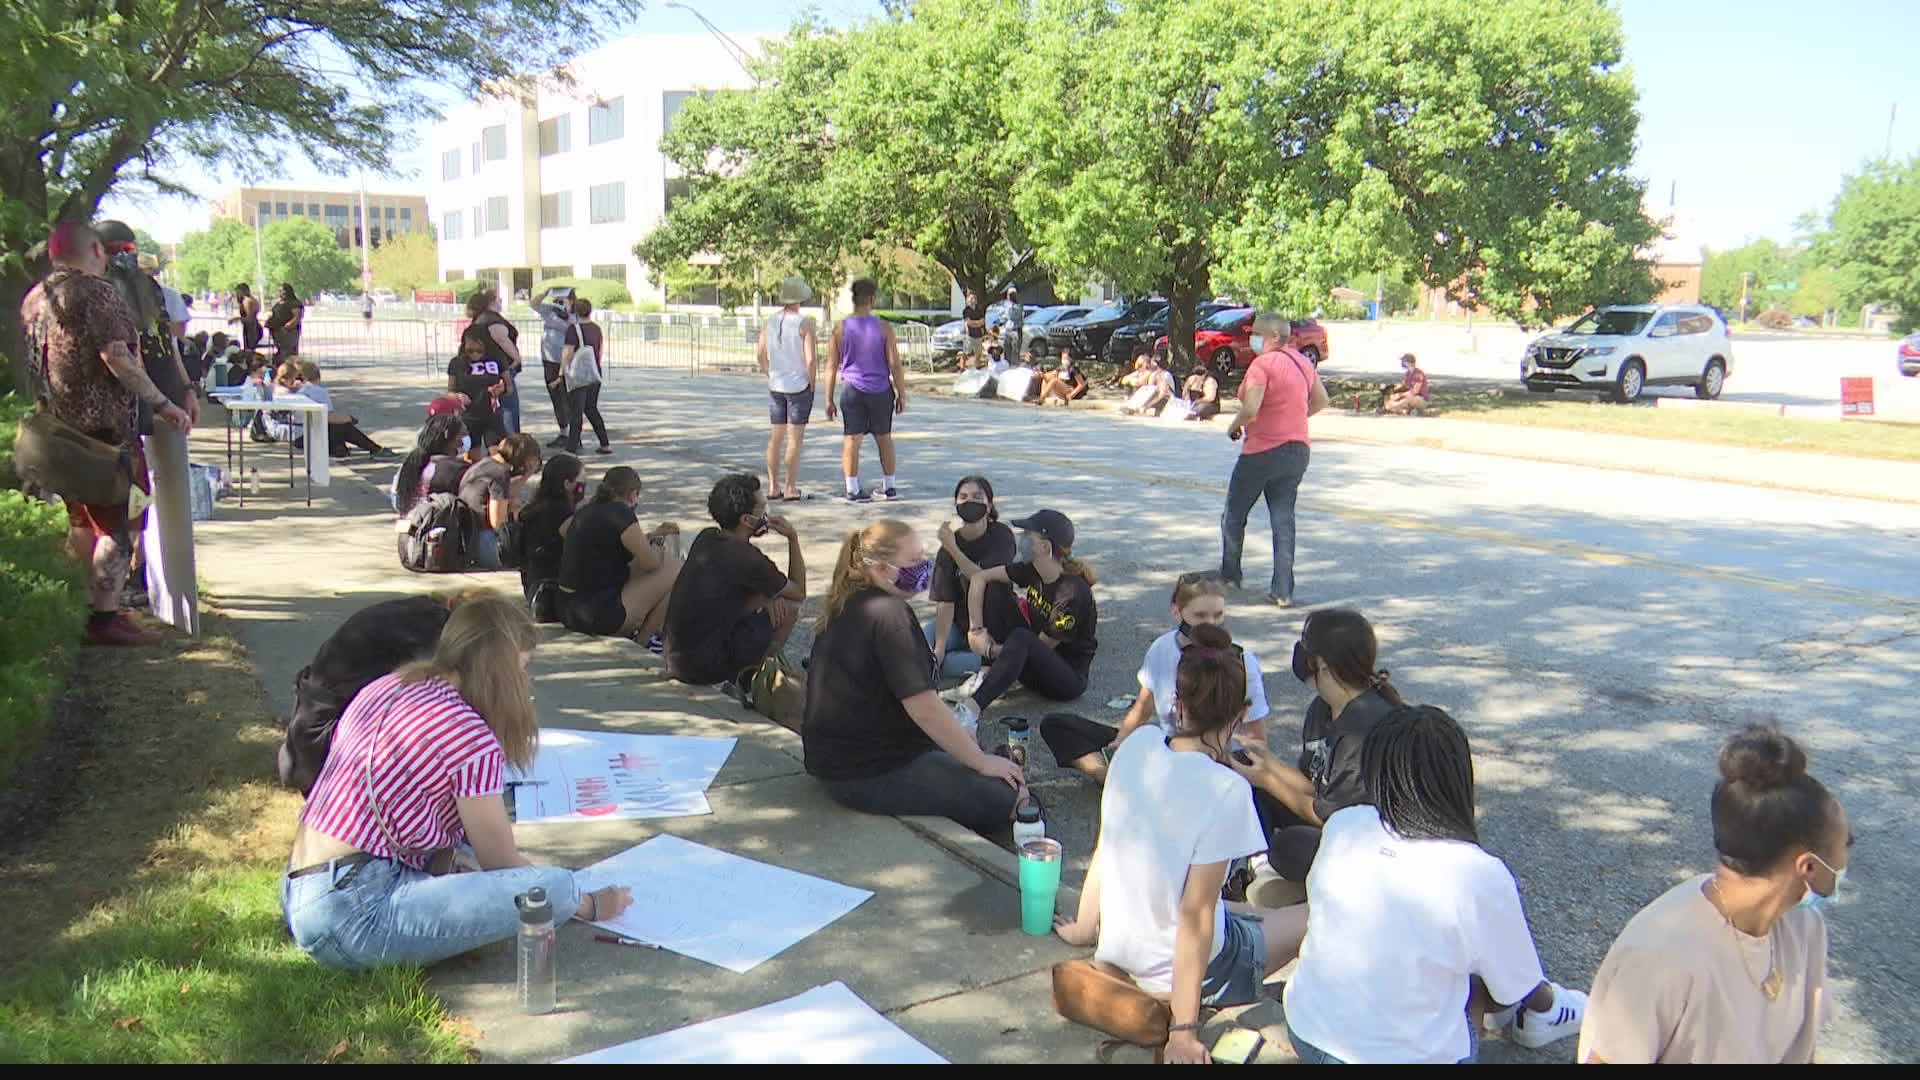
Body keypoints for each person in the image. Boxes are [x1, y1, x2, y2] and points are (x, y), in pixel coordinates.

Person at [282, 594, 634, 971]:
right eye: (524, 668)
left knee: (472, 858)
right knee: (555, 887)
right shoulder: (470, 736)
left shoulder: (391, 686)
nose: (527, 684)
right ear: (500, 670)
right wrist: (588, 903)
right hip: (354, 913)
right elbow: (502, 864)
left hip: (303, 889)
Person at [1051, 624, 1309, 1065]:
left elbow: (1107, 845)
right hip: (1187, 973)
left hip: (1120, 950)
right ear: (1241, 712)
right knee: (1316, 912)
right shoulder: (1227, 789)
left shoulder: (1138, 745)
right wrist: (1183, 1031)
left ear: (1177, 700)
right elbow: (1197, 915)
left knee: (1259, 914)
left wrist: (1085, 927)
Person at [1279, 705, 1587, 1063]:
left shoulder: (1345, 823)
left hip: (1307, 1029)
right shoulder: (1477, 873)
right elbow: (1511, 987)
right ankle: (1551, 1012)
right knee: (1481, 964)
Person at [1578, 725, 1848, 1064]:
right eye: (1845, 845)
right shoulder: (1660, 957)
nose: (1846, 859)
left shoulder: (1805, 929)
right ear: (1807, 867)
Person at [20, 222, 190, 646]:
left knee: (81, 522)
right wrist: (164, 404)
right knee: (121, 528)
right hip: (106, 438)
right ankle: (105, 616)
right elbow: (119, 359)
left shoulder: (35, 298)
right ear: (95, 248)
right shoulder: (97, 293)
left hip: (59, 433)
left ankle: (74, 605)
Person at [801, 519, 1025, 835]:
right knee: (1001, 797)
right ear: (880, 568)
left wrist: (967, 747)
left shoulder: (852, 601)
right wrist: (979, 761)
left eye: (923, 557)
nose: (924, 567)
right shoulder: (889, 615)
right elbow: (924, 709)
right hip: (866, 771)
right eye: (913, 561)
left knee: (979, 756)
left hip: (845, 760)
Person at [1227, 609, 1400, 889]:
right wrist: (1266, 762)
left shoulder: (1365, 728)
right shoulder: (1322, 708)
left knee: (1289, 846)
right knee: (1246, 776)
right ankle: (1253, 869)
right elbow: (1314, 786)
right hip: (1332, 819)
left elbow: (1329, 816)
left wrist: (1267, 778)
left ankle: (1279, 879)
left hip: (1361, 840)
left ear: (1324, 664)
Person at [1044, 572, 1269, 786]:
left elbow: (1256, 740)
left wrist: (1230, 767)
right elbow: (1143, 707)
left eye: (1218, 615)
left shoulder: (1241, 661)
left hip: (1217, 762)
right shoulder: (1162, 648)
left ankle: (1125, 782)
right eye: (1200, 616)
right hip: (1169, 748)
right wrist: (1120, 743)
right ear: (1176, 612)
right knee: (1057, 725)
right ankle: (1112, 776)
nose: (1210, 623)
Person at [277, 592, 472, 795]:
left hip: (311, 724)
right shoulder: (432, 629)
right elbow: (441, 700)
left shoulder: (417, 611)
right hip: (324, 745)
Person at [948, 509, 1097, 731]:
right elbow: (980, 577)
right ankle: (989, 674)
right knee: (995, 589)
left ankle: (969, 712)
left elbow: (1041, 645)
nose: (1022, 540)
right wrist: (975, 631)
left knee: (1022, 638)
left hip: (1065, 679)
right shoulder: (1033, 570)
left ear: (1045, 547)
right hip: (1030, 661)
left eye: (1028, 535)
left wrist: (989, 650)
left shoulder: (1072, 592)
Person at [1221, 312, 1328, 607]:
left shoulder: (1262, 364)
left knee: (1234, 514)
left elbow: (1252, 407)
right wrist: (1293, 418)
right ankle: (1283, 590)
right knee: (1283, 521)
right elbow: (1321, 400)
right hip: (1297, 451)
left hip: (1262, 451)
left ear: (1275, 337)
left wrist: (1234, 425)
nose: (1252, 338)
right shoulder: (1303, 363)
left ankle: (1230, 575)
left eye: (1257, 334)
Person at [662, 474, 806, 693]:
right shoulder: (748, 558)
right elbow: (798, 592)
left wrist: (767, 596)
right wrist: (792, 538)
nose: (766, 516)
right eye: (762, 510)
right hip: (703, 669)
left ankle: (747, 674)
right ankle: (755, 681)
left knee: (768, 597)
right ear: (747, 520)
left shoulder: (707, 537)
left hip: (676, 658)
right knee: (790, 607)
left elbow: (732, 594)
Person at [557, 466, 684, 641]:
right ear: (632, 494)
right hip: (598, 615)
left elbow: (564, 530)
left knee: (649, 567)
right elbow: (650, 564)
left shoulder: (587, 510)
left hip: (567, 609)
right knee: (677, 568)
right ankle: (643, 640)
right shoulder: (622, 513)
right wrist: (657, 544)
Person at [824, 279, 907, 502]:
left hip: (853, 390)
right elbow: (895, 364)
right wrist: (902, 393)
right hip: (881, 390)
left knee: (852, 439)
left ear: (854, 299)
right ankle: (889, 487)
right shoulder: (884, 328)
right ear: (872, 299)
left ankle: (853, 488)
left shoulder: (840, 329)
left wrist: (828, 398)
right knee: (884, 438)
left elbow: (831, 366)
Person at [928, 475, 1017, 681]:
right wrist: (939, 649)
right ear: (956, 504)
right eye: (963, 497)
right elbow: (945, 600)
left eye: (977, 497)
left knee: (996, 661)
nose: (970, 501)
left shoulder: (1002, 536)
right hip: (958, 625)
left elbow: (982, 578)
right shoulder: (948, 545)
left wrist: (953, 549)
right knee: (920, 649)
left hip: (994, 628)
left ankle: (994, 663)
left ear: (989, 505)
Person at [759, 276, 818, 501]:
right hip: (798, 385)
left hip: (777, 384)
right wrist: (812, 383)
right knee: (795, 439)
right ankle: (790, 487)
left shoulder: (770, 322)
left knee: (775, 438)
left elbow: (760, 354)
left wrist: (770, 372)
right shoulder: (805, 323)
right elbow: (811, 360)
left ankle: (773, 486)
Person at [458, 433, 542, 569]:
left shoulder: (484, 465)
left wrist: (527, 475)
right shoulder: (499, 474)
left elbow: (506, 493)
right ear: (524, 459)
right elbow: (498, 522)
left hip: (468, 538)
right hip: (485, 543)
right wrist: (516, 513)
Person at [515, 453, 584, 616]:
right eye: (581, 482)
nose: (583, 487)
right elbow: (582, 546)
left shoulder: (535, 507)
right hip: (553, 593)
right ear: (568, 484)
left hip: (534, 588)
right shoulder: (561, 512)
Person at [295, 360, 393, 459]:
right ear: (318, 377)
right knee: (342, 425)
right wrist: (349, 418)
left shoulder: (299, 391)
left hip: (299, 436)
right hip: (310, 436)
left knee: (334, 426)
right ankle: (374, 449)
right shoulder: (319, 392)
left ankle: (339, 448)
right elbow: (329, 417)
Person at [462, 286, 523, 434]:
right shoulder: (492, 319)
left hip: (486, 367)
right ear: (493, 301)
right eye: (499, 299)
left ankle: (502, 439)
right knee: (509, 407)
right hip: (499, 368)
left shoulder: (481, 318)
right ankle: (512, 442)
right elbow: (502, 339)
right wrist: (516, 358)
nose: (501, 302)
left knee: (496, 407)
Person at [446, 320, 509, 450]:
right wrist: (458, 396)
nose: (475, 354)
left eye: (479, 350)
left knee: (497, 454)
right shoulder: (456, 363)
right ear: (464, 346)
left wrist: (502, 389)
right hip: (468, 417)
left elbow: (510, 388)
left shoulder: (497, 360)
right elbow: (450, 393)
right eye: (470, 350)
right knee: (471, 457)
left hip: (493, 416)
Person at [559, 297, 610, 454]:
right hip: (594, 372)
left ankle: (572, 448)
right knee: (591, 408)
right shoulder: (596, 328)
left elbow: (568, 351)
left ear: (574, 311)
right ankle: (604, 443)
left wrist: (561, 372)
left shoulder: (573, 329)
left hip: (579, 374)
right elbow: (600, 350)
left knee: (576, 411)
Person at [392, 414, 469, 516]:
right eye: (462, 435)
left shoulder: (411, 461)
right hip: (431, 523)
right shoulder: (451, 469)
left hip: (409, 520)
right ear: (448, 436)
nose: (464, 441)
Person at [531, 286, 576, 445]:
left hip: (567, 360)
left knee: (570, 398)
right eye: (559, 298)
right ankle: (564, 432)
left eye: (565, 298)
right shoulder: (550, 311)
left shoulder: (574, 315)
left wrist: (568, 314)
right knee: (556, 397)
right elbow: (534, 304)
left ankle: (574, 435)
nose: (561, 301)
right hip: (549, 360)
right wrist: (545, 293)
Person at [1118, 351, 1175, 416]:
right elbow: (1125, 380)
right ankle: (1131, 406)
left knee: (1149, 393)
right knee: (1142, 389)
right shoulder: (1151, 373)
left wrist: (1146, 405)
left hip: (1164, 400)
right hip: (1154, 398)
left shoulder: (1165, 375)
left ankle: (1137, 408)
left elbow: (1161, 393)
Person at [266, 283, 305, 359]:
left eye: (282, 290)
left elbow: (297, 317)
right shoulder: (278, 302)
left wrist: (287, 327)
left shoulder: (294, 303)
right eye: (279, 291)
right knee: (281, 352)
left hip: (288, 331)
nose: (280, 293)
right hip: (277, 331)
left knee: (288, 353)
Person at [229, 282, 263, 352]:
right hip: (253, 327)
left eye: (237, 292)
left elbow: (249, 319)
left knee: (249, 351)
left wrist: (236, 319)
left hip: (251, 330)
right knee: (250, 350)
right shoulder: (253, 299)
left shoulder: (247, 301)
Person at [960, 288, 987, 368]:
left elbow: (982, 322)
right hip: (969, 335)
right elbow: (968, 322)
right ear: (968, 299)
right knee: (966, 352)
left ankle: (977, 366)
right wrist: (977, 323)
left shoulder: (979, 310)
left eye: (974, 298)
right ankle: (962, 366)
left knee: (978, 353)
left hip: (978, 334)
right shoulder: (966, 310)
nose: (973, 300)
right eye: (971, 298)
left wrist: (975, 323)